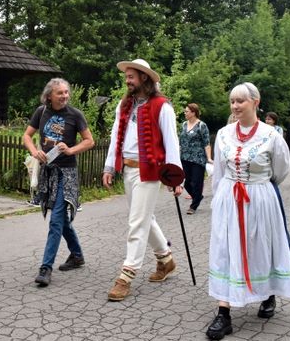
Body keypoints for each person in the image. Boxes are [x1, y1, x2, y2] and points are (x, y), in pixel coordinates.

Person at [206, 82, 290, 341]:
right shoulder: (224, 134)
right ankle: (223, 312)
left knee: (260, 246)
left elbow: (280, 171)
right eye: (232, 101)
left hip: (259, 197)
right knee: (225, 249)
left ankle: (267, 293)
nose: (235, 106)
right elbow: (220, 172)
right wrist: (218, 201)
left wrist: (258, 189)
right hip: (229, 197)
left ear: (255, 103)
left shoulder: (271, 136)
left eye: (241, 101)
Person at [102, 58, 183, 302]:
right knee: (145, 218)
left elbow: (171, 143)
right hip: (128, 168)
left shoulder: (163, 106)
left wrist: (176, 178)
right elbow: (116, 135)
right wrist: (109, 166)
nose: (127, 80)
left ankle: (126, 275)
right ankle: (166, 260)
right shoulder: (124, 105)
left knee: (137, 222)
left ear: (143, 78)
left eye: (130, 76)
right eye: (126, 76)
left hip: (150, 171)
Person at [23, 78, 94, 287]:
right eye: (59, 93)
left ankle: (45, 268)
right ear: (49, 96)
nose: (64, 96)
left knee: (56, 220)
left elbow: (90, 141)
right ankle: (77, 255)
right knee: (61, 219)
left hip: (67, 173)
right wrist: (35, 151)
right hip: (48, 172)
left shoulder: (75, 115)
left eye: (66, 92)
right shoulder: (41, 112)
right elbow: (27, 136)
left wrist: (71, 150)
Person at [179, 103, 213, 215]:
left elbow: (206, 143)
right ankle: (198, 197)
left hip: (198, 158)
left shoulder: (201, 125)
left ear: (193, 112)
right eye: (185, 111)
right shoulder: (183, 124)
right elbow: (181, 141)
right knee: (187, 182)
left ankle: (193, 206)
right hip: (184, 157)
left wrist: (209, 158)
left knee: (196, 182)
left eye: (187, 111)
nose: (185, 113)